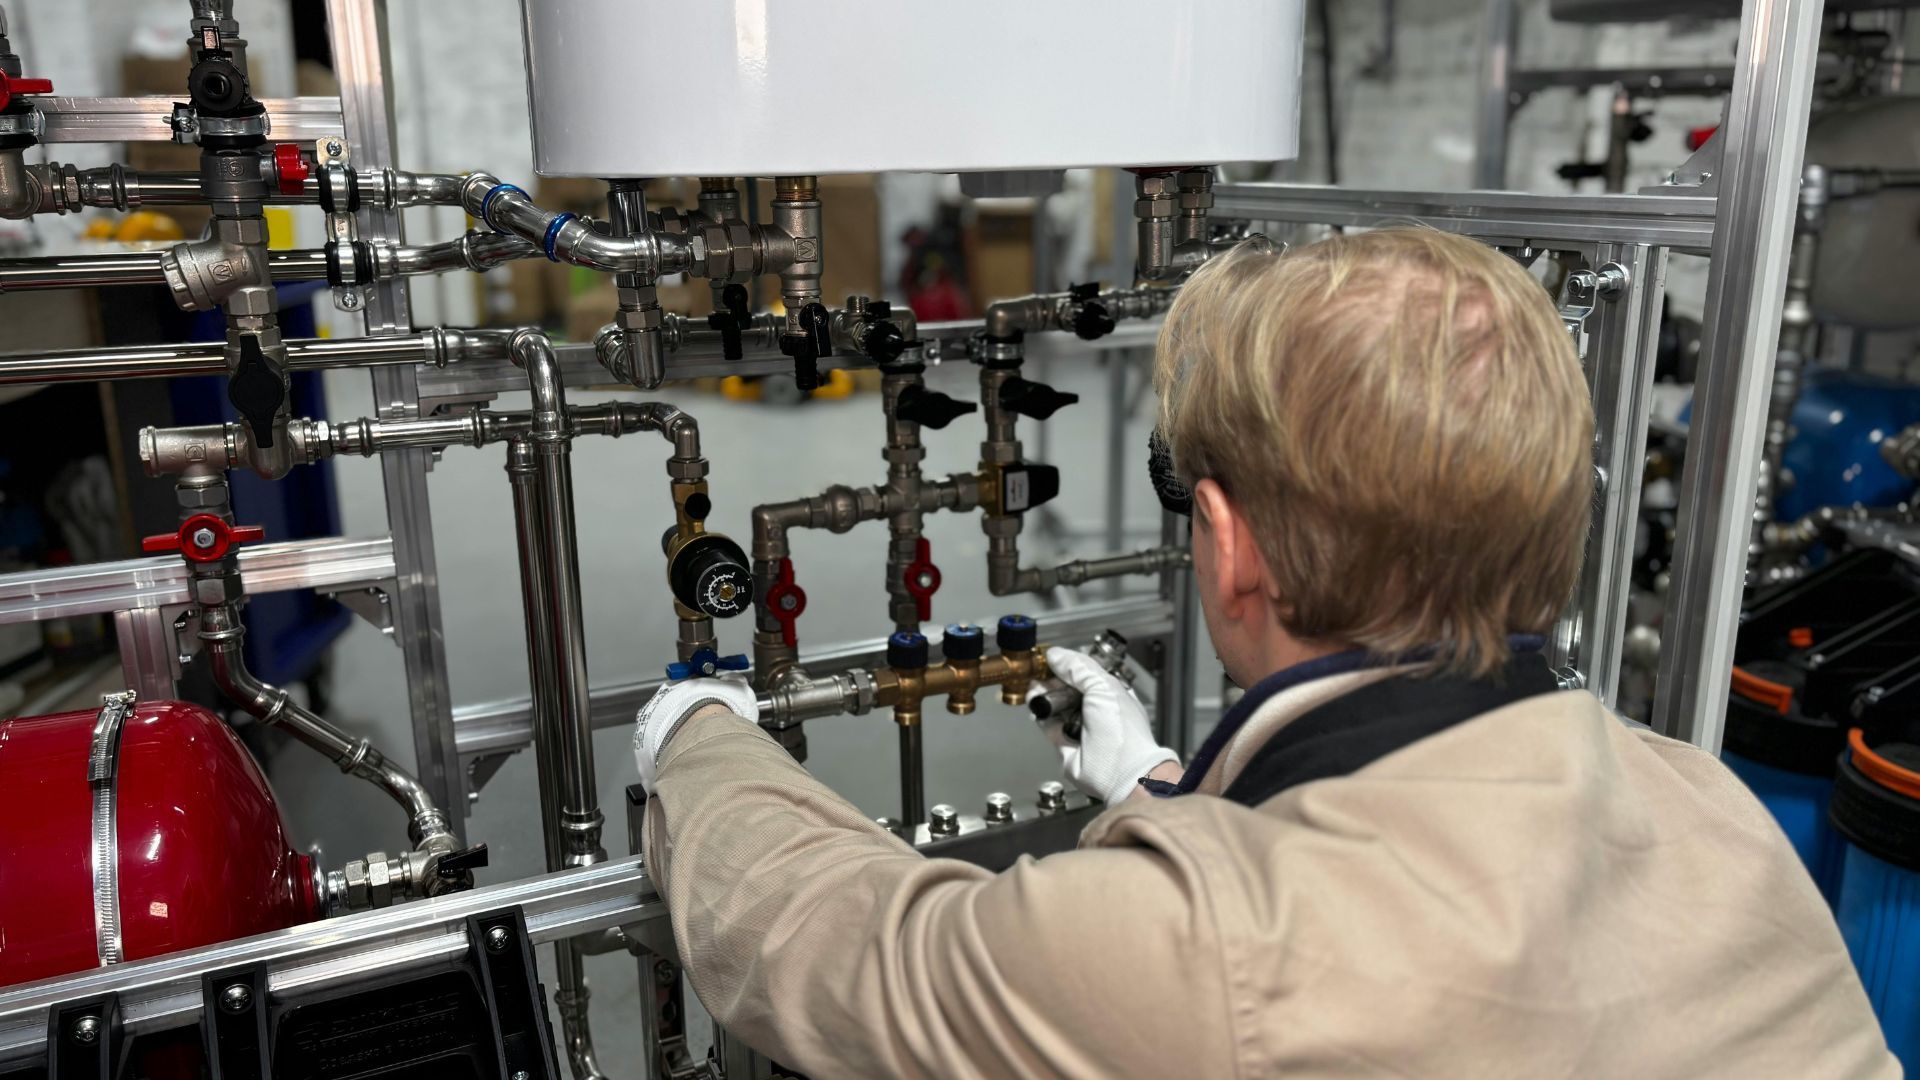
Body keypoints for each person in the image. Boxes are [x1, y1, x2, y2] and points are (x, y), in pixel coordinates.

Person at [632, 228, 1894, 1078]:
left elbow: (833, 943)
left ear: (1229, 545)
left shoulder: (1200, 952)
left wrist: (696, 744)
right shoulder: (1716, 810)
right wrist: (1170, 799)